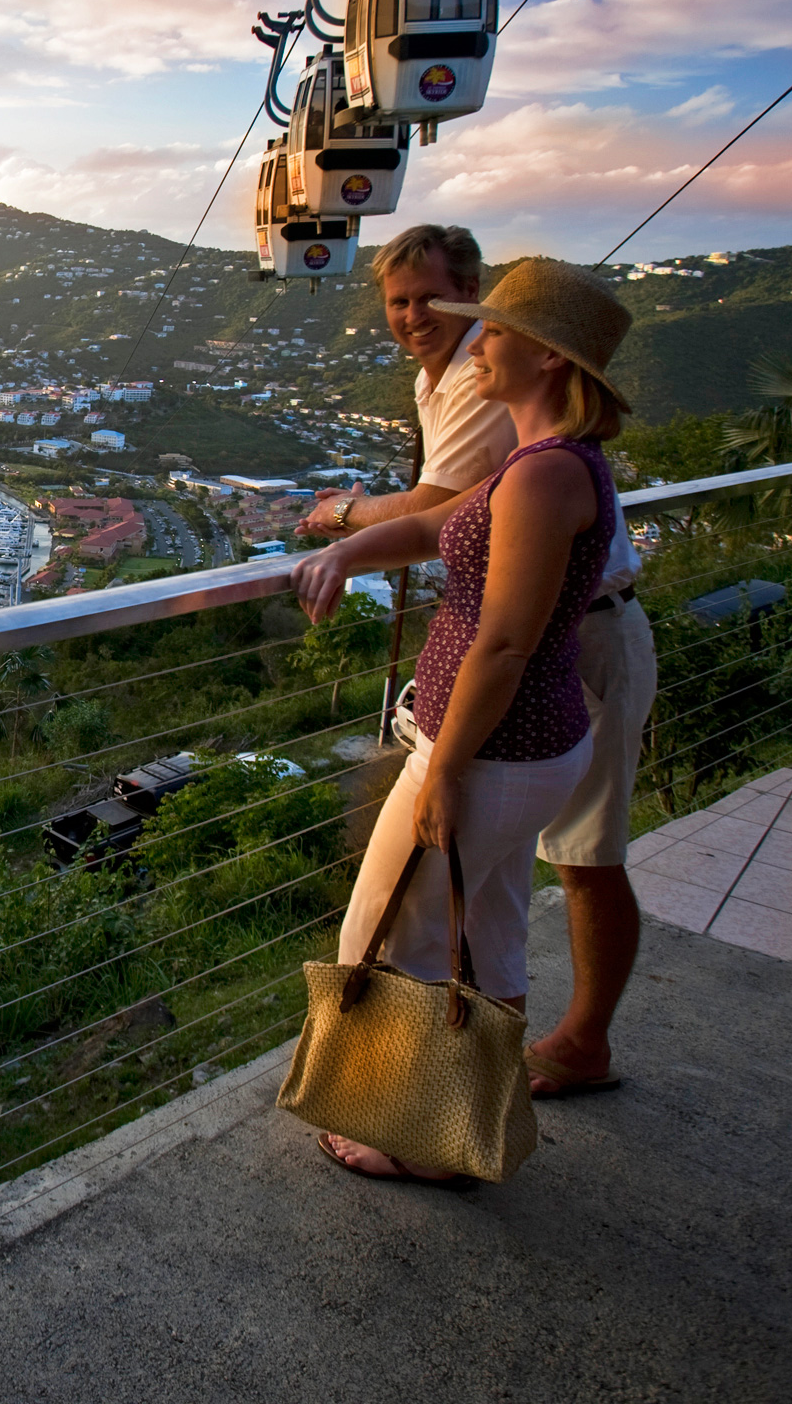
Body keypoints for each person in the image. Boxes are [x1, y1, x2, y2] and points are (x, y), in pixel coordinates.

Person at [292, 258, 634, 1184]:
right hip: (517, 749)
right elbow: (437, 528)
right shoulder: (538, 464)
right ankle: (477, 1119)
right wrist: (351, 549)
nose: (479, 344)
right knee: (491, 932)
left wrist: (444, 769)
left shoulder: (543, 478)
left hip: (489, 752)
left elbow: (504, 646)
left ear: (551, 361)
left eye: (498, 332)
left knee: (392, 931)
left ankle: (416, 1140)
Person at [295, 225, 513, 540]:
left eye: (430, 298)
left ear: (470, 290)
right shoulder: (428, 378)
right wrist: (364, 511)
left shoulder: (484, 372)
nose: (414, 316)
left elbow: (435, 509)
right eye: (399, 303)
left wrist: (345, 511)